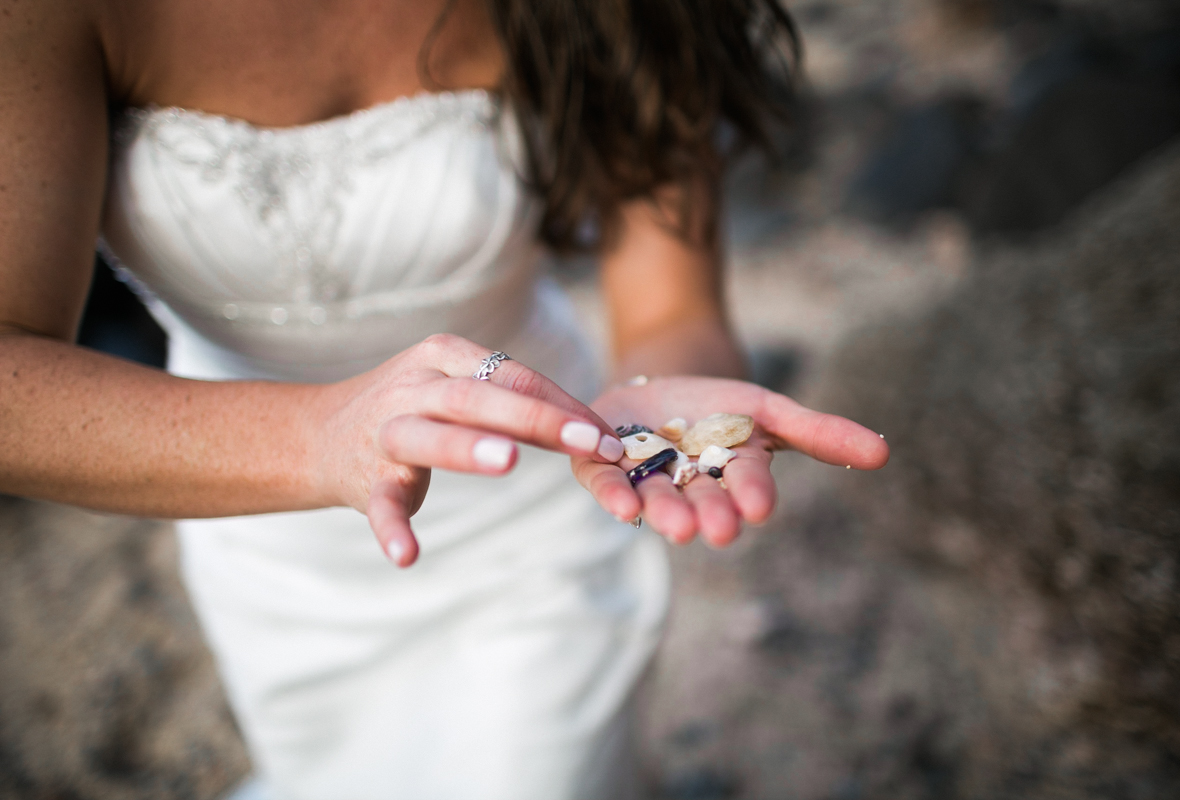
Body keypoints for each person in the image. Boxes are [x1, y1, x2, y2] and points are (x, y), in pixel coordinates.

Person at [0, 1, 889, 797]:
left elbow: (671, 308)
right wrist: (320, 437)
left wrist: (663, 392)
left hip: (538, 512)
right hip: (260, 526)